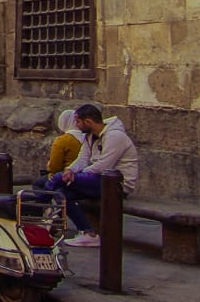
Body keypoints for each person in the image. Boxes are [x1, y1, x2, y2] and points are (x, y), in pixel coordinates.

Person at [44, 104, 140, 246]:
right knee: (61, 193)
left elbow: (103, 165)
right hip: (95, 179)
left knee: (58, 178)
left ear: (88, 122)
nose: (76, 125)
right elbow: (82, 158)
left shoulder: (115, 136)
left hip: (116, 184)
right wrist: (70, 170)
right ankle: (88, 232)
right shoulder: (89, 136)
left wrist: (76, 176)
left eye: (78, 122)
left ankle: (37, 204)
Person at [42, 107, 83, 184]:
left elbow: (54, 167)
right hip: (83, 174)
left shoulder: (63, 140)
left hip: (66, 175)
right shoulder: (87, 136)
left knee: (37, 183)